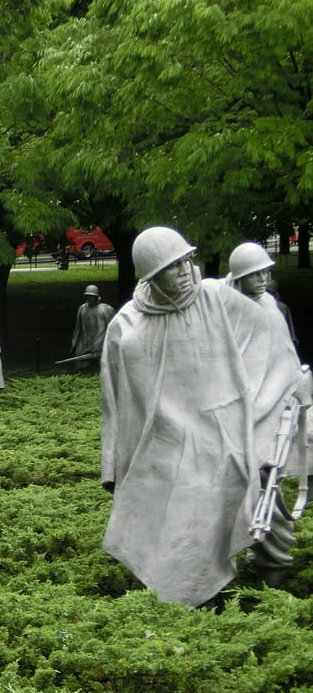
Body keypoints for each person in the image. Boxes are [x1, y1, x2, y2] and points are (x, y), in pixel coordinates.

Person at [100, 225, 306, 605]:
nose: (184, 271)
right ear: (151, 275)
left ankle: (225, 595)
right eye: (172, 266)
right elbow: (114, 401)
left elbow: (269, 342)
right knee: (170, 524)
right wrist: (112, 464)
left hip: (219, 438)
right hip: (161, 444)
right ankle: (180, 601)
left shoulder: (216, 298)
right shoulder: (127, 325)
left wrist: (276, 396)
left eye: (187, 260)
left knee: (216, 515)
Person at [225, 241, 298, 351]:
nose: (263, 279)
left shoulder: (276, 307)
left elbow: (287, 349)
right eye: (255, 274)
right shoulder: (224, 306)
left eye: (265, 272)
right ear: (240, 278)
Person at [69, 284, 115, 371]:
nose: (89, 298)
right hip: (85, 342)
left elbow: (108, 329)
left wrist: (98, 346)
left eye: (91, 296)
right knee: (81, 362)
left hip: (100, 343)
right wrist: (74, 343)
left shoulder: (105, 309)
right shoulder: (82, 309)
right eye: (87, 296)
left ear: (96, 297)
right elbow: (78, 329)